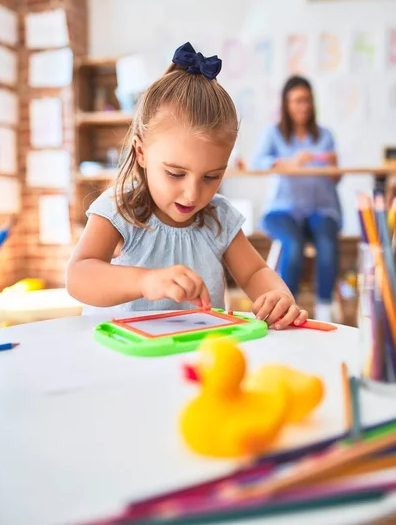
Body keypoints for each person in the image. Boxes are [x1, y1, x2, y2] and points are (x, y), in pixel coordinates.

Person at [66, 42, 307, 329]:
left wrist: (276, 295)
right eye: (175, 174)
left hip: (196, 360)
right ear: (141, 152)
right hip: (121, 358)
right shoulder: (120, 209)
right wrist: (145, 281)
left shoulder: (219, 217)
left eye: (211, 177)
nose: (193, 194)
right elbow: (79, 276)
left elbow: (255, 272)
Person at [250, 75, 341, 323]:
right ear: (286, 105)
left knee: (327, 243)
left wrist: (334, 168)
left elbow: (335, 179)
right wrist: (288, 162)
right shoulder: (274, 134)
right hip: (283, 211)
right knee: (293, 244)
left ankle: (324, 309)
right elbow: (256, 163)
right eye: (297, 101)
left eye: (307, 100)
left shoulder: (325, 136)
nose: (303, 106)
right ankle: (286, 307)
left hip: (319, 209)